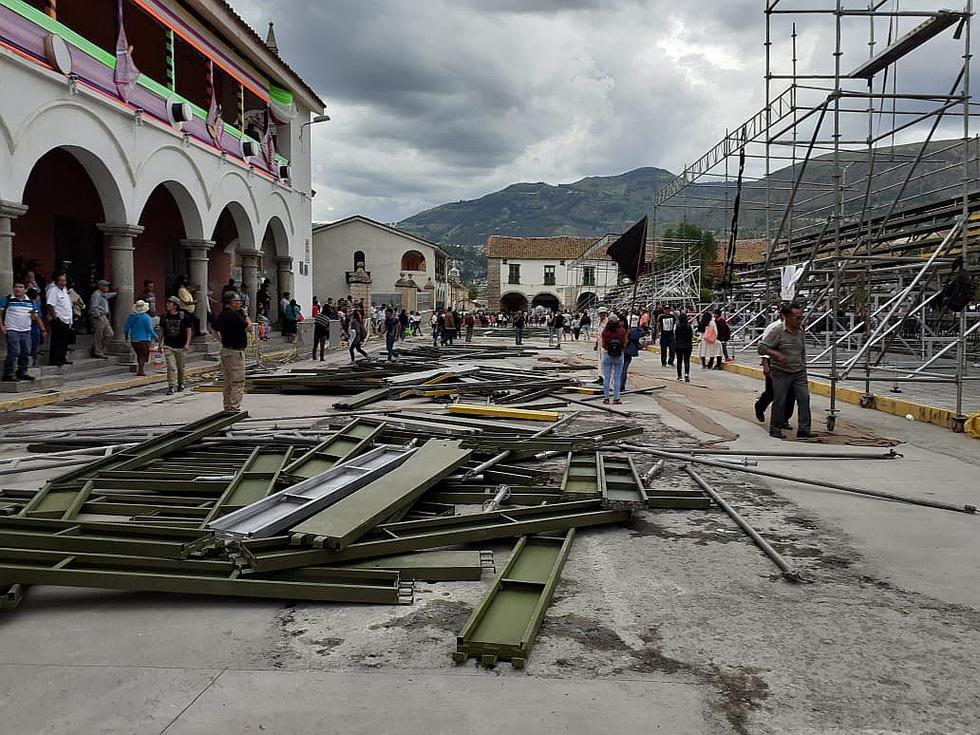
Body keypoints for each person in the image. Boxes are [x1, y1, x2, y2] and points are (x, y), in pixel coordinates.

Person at [759, 302, 813, 439]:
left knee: (804, 399)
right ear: (787, 317)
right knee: (780, 400)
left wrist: (803, 366)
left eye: (801, 317)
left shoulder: (801, 330)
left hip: (799, 372)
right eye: (796, 317)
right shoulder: (777, 331)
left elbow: (802, 351)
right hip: (781, 372)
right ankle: (775, 428)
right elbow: (762, 348)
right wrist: (776, 355)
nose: (799, 320)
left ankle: (804, 430)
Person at [211, 292, 250, 412]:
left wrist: (222, 340)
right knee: (237, 381)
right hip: (235, 352)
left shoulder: (222, 315)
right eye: (237, 301)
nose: (239, 304)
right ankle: (234, 407)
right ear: (230, 303)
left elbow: (213, 329)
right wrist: (246, 315)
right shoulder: (235, 315)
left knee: (228, 381)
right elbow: (249, 328)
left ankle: (227, 406)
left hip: (226, 350)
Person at [1, 281, 46, 382]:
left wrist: (36, 320)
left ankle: (22, 371)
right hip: (12, 328)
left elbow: (35, 317)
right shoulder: (7, 299)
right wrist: (2, 326)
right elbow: (0, 313)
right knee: (14, 351)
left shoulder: (31, 301)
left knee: (26, 352)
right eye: (16, 287)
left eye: (20, 287)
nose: (18, 289)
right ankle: (8, 373)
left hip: (26, 329)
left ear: (25, 289)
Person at [157, 296, 193, 394]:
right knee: (171, 366)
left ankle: (181, 383)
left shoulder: (183, 316)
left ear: (175, 305)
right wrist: (159, 343)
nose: (167, 305)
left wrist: (187, 343)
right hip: (169, 345)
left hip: (181, 345)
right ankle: (171, 385)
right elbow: (162, 330)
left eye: (169, 303)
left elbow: (188, 330)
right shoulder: (164, 316)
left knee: (181, 367)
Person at [45, 271, 73, 366]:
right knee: (56, 341)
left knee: (64, 341)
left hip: (66, 319)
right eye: (60, 281)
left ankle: (62, 357)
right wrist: (55, 318)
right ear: (56, 281)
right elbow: (50, 305)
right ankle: (54, 360)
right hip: (58, 319)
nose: (63, 283)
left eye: (64, 280)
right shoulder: (53, 290)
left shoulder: (64, 290)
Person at [124, 300, 155, 376]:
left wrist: (126, 336)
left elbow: (126, 328)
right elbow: (149, 329)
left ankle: (140, 369)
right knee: (143, 355)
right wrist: (156, 336)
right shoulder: (146, 317)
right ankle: (141, 370)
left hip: (134, 339)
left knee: (139, 354)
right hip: (144, 339)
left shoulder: (131, 317)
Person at [601, 314, 627, 404]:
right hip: (619, 355)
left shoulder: (606, 331)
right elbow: (624, 343)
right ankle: (616, 398)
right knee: (617, 377)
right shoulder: (622, 331)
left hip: (607, 354)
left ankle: (606, 398)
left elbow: (603, 343)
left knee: (606, 378)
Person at [88, 279, 115, 359]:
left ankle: (98, 348)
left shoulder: (103, 294)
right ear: (100, 286)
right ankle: (98, 352)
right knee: (99, 334)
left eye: (107, 286)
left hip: (104, 316)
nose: (107, 287)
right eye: (105, 286)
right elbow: (94, 306)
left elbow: (108, 296)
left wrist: (116, 293)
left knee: (110, 334)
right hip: (99, 316)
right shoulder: (96, 294)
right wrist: (98, 315)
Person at [621, 320, 645, 391]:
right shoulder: (626, 331)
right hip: (624, 352)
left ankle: (621, 385)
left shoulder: (631, 331)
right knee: (623, 370)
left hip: (626, 352)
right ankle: (620, 385)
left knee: (623, 369)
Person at [673, 312, 694, 382]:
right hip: (687, 346)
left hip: (678, 345)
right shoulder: (689, 327)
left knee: (679, 361)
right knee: (686, 361)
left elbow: (675, 334)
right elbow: (692, 335)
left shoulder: (677, 326)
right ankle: (686, 374)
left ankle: (679, 376)